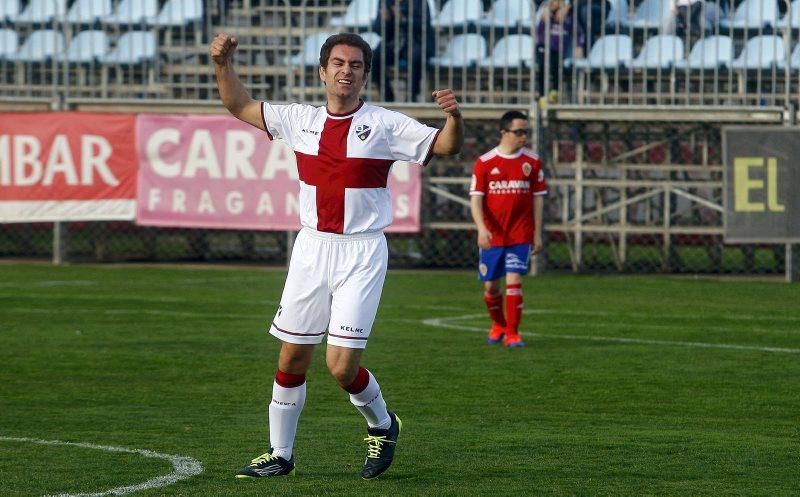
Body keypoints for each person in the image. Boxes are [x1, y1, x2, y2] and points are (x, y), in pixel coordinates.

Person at [210, 32, 464, 479]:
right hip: (311, 249)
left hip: (361, 252)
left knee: (341, 367)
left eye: (356, 65)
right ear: (323, 71)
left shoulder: (385, 124)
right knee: (291, 358)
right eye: (339, 63)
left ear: (365, 75)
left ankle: (382, 425)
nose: (347, 71)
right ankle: (280, 454)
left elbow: (446, 146)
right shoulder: (299, 119)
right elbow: (239, 106)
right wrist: (222, 65)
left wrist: (453, 117)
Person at [469, 111, 548, 348]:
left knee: (514, 279)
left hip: (520, 233)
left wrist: (536, 232)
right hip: (493, 235)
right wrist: (481, 229)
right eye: (519, 132)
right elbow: (476, 199)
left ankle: (513, 333)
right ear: (504, 133)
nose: (524, 136)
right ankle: (498, 325)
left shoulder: (532, 162)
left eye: (526, 131)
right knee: (491, 286)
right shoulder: (485, 162)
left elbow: (538, 199)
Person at [370, 0, 435, 102]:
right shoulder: (384, 2)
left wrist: (403, 19)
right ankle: (387, 97)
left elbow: (424, 25)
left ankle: (411, 97)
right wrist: (385, 21)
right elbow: (378, 30)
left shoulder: (420, 2)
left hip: (417, 41)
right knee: (374, 57)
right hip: (393, 42)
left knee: (417, 56)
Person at [535, 0, 585, 105]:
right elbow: (538, 30)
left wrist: (578, 47)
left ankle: (554, 93)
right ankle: (542, 96)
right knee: (543, 63)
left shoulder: (570, 16)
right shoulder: (546, 12)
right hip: (543, 47)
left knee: (556, 63)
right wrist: (547, 14)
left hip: (558, 50)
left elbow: (578, 33)